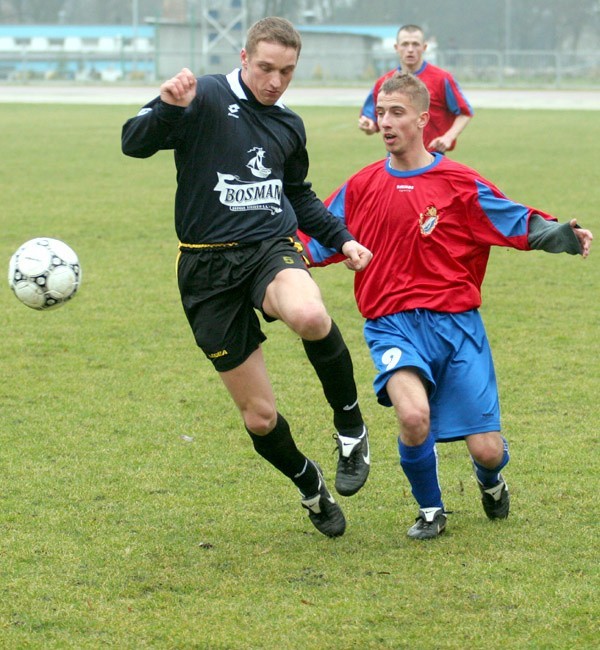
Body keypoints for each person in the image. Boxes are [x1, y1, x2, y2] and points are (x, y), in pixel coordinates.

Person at [300, 73, 593, 540]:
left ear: (422, 118)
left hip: (457, 329)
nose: (387, 122)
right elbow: (314, 237)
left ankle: (491, 480)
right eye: (381, 113)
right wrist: (273, 262)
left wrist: (560, 234)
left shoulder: (458, 182)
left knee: (487, 450)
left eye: (396, 112)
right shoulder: (360, 186)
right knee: (413, 417)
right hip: (391, 326)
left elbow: (513, 219)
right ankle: (431, 510)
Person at [121, 17, 373, 538]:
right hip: (205, 268)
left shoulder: (287, 124)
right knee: (259, 418)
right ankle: (310, 486)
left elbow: (297, 192)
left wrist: (341, 236)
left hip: (268, 248)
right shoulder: (204, 96)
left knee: (308, 313)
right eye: (265, 68)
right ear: (243, 57)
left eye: (286, 71)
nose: (275, 81)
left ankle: (351, 426)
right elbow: (133, 143)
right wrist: (168, 105)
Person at [359, 24, 473, 154]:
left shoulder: (442, 79)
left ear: (424, 47)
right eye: (405, 44)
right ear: (396, 47)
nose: (410, 49)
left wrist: (448, 137)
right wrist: (368, 125)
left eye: (415, 44)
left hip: (432, 158)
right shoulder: (383, 83)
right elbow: (371, 121)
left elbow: (465, 112)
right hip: (396, 159)